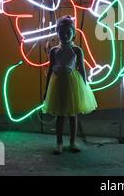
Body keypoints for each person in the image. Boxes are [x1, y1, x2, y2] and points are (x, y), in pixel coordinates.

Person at [42, 16, 98, 154]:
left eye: (68, 32)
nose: (65, 35)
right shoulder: (54, 51)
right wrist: (46, 90)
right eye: (62, 32)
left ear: (73, 33)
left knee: (73, 115)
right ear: (57, 32)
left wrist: (84, 88)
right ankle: (59, 143)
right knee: (60, 115)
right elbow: (50, 70)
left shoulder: (77, 50)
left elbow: (82, 69)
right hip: (57, 85)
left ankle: (73, 141)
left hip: (73, 85)